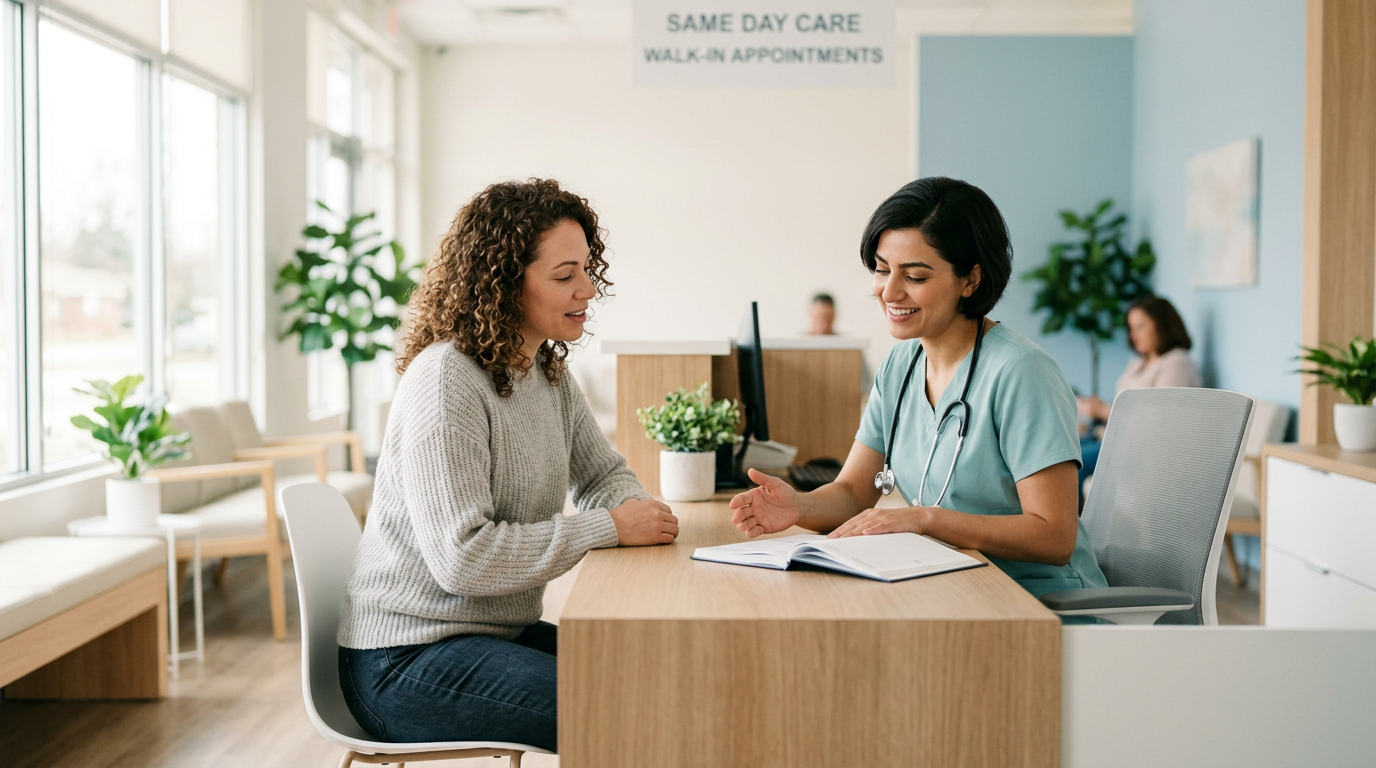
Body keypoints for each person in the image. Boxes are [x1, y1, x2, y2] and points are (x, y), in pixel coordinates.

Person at [336, 179, 679, 751]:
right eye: (564, 276)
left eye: (587, 270)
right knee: (625, 708)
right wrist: (610, 527)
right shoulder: (446, 381)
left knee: (661, 682)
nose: (587, 290)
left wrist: (629, 507)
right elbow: (462, 560)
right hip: (403, 660)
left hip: (490, 635)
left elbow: (600, 473)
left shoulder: (544, 372)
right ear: (502, 284)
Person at [729, 176, 1108, 604]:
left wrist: (925, 520)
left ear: (971, 280)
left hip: (1038, 606)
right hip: (951, 587)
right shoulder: (900, 365)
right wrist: (797, 507)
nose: (889, 292)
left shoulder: (1021, 372)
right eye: (881, 269)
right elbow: (854, 491)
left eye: (914, 276)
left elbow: (1053, 536)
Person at [1075, 295, 1201, 493]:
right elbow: (1127, 403)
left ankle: (1063, 524)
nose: (1133, 335)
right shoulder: (1138, 364)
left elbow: (1158, 418)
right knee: (1058, 451)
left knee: (1071, 464)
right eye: (1131, 328)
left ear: (1162, 325)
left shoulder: (1176, 363)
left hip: (1144, 449)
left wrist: (1102, 410)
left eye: (1140, 326)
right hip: (1115, 437)